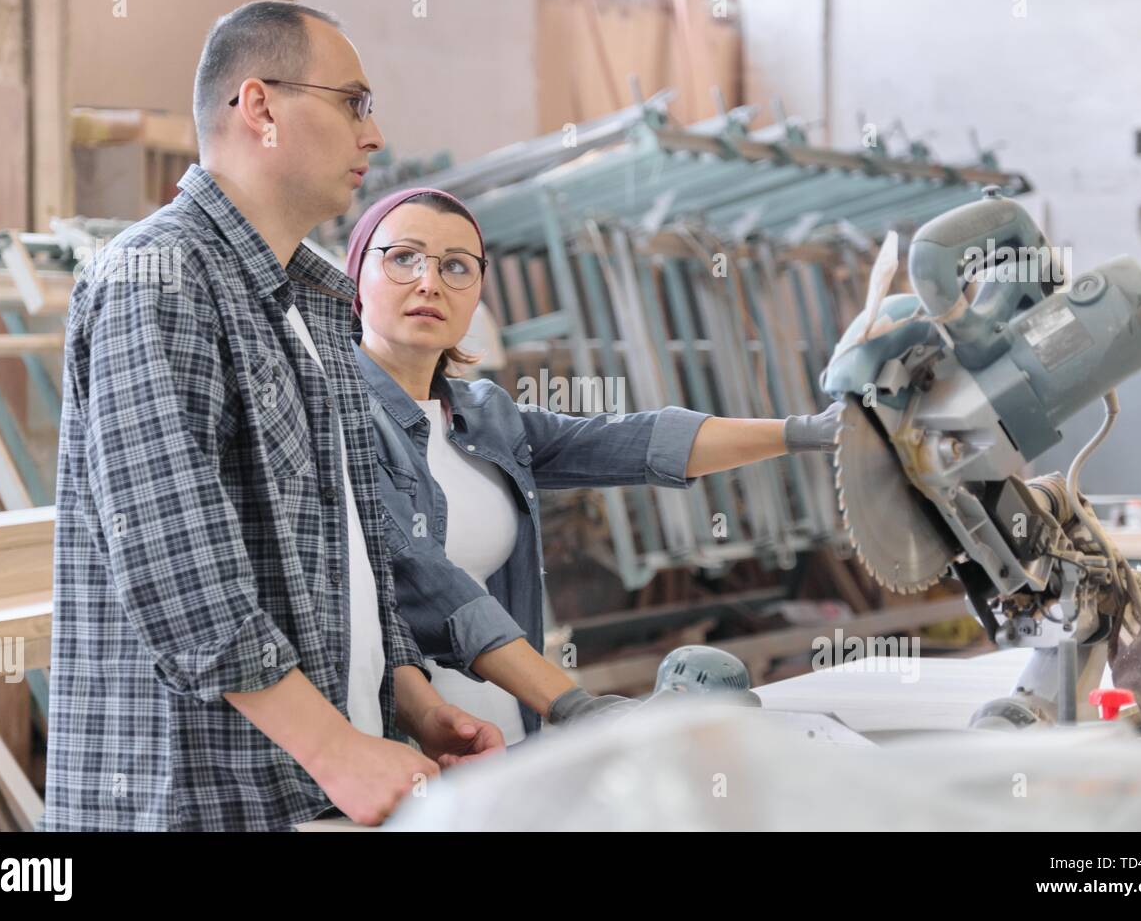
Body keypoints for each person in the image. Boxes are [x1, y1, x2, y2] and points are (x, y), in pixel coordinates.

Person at [46, 1, 501, 832]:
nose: (373, 135)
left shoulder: (315, 304)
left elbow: (343, 558)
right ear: (259, 106)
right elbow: (176, 563)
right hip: (201, 797)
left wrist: (409, 697)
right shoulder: (159, 276)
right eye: (353, 103)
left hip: (315, 791)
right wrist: (336, 750)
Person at [344, 187, 843, 745]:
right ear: (356, 273)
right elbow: (427, 581)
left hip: (509, 724)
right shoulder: (338, 421)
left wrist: (811, 433)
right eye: (403, 257)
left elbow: (629, 441)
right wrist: (574, 704)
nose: (429, 281)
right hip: (404, 737)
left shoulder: (486, 415)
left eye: (456, 265)